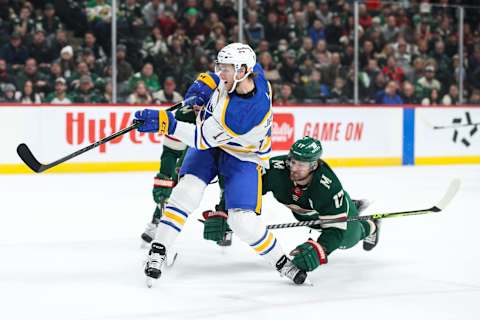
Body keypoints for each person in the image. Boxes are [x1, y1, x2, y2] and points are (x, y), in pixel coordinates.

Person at [134, 42, 308, 285]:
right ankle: (158, 250)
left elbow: (200, 138)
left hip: (242, 155)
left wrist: (164, 123)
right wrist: (206, 82)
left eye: (226, 69)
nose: (221, 72)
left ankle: (280, 261)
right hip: (215, 144)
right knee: (186, 191)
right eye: (220, 67)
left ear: (241, 71)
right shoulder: (252, 72)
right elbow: (219, 80)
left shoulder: (243, 112)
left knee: (241, 221)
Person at [202, 137, 380, 273]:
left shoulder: (328, 187)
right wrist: (224, 211)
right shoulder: (277, 169)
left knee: (347, 241)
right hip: (305, 213)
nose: (294, 168)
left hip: (330, 213)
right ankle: (351, 208)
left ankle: (371, 225)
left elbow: (334, 230)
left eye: (300, 164)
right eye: (292, 161)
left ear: (313, 165)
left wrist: (320, 250)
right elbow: (244, 187)